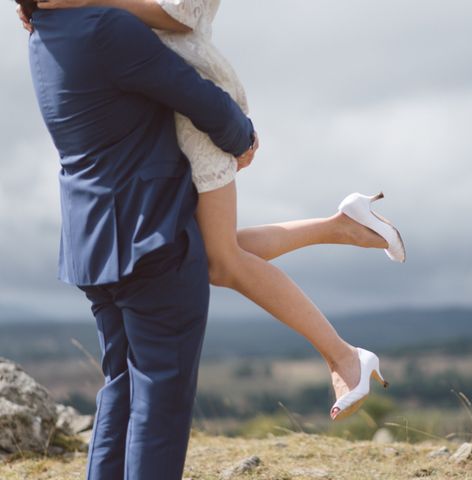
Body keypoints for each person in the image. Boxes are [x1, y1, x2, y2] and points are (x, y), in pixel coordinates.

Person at [17, 0, 405, 475]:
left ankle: (342, 234)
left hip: (91, 246)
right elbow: (191, 91)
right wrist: (242, 136)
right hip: (150, 241)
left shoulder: (42, 36)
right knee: (160, 407)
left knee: (119, 392)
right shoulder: (105, 26)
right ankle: (343, 260)